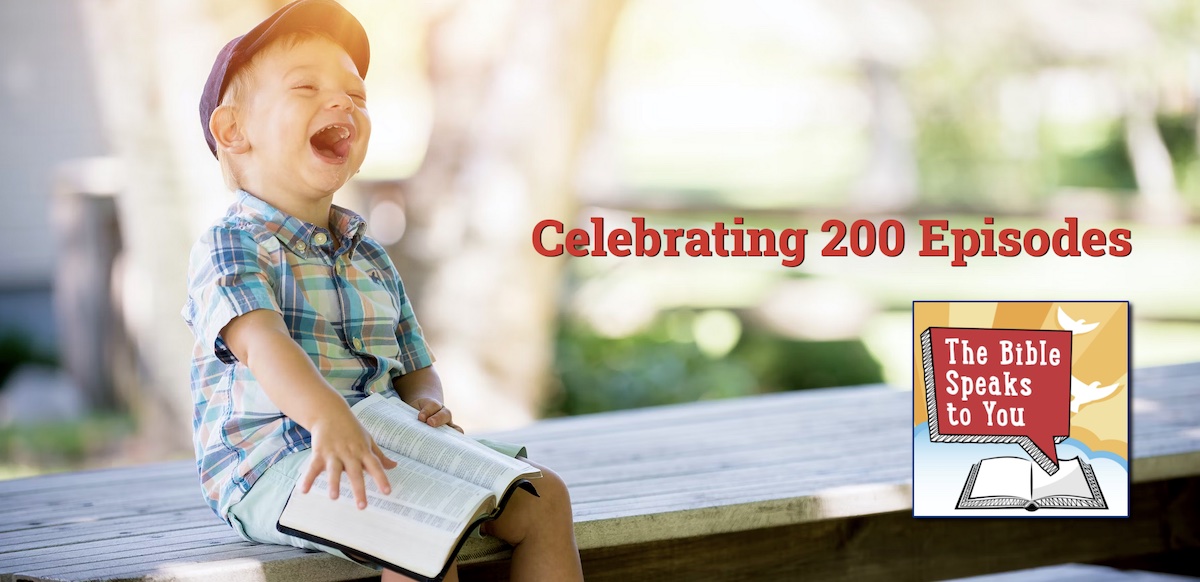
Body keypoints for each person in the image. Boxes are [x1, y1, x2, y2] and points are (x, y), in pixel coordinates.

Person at [182, 2, 583, 580]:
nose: (344, 100)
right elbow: (262, 343)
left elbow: (414, 362)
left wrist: (424, 400)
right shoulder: (232, 244)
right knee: (417, 528)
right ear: (233, 130)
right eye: (306, 86)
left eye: (357, 93)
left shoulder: (367, 252)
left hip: (384, 441)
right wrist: (327, 417)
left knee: (545, 497)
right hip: (274, 464)